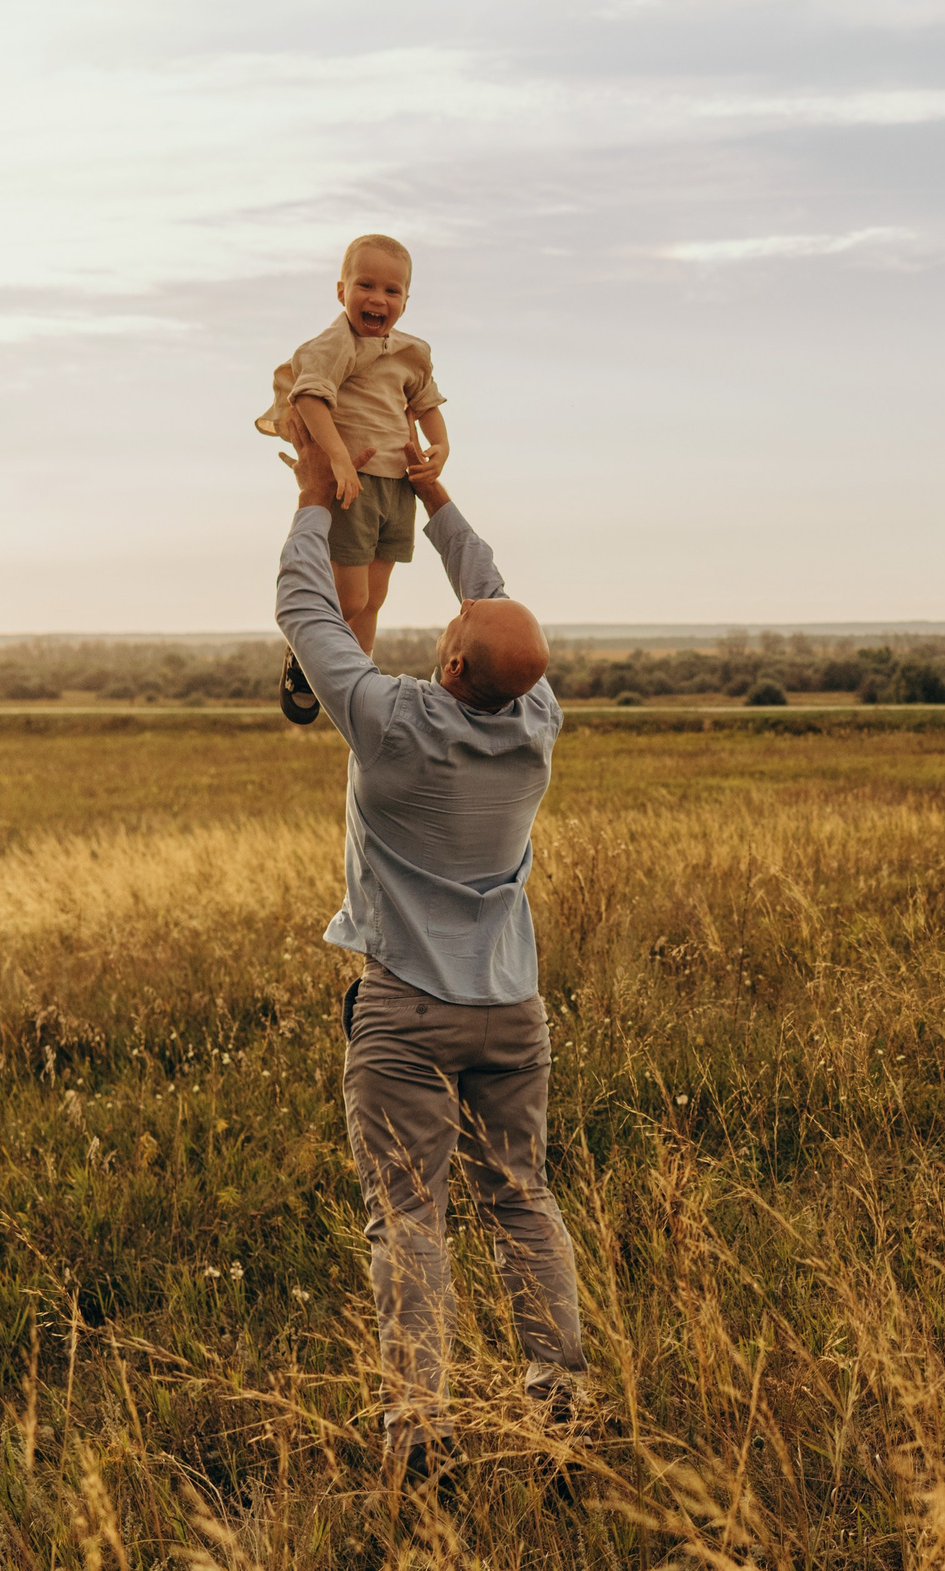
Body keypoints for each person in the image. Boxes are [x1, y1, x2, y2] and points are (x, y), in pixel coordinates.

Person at [276, 421, 581, 1484]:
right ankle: (559, 1406)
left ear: (449, 662)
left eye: (452, 627)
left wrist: (314, 499)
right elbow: (494, 603)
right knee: (522, 1199)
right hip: (512, 1012)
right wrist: (436, 498)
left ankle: (418, 1430)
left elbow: (304, 611)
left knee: (408, 1220)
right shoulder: (536, 721)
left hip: (405, 1012)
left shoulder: (390, 722)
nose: (453, 615)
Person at [258, 233, 450, 724]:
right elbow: (309, 397)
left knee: (374, 599)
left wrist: (441, 447)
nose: (377, 298)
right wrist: (339, 459)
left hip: (397, 485)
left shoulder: (411, 351)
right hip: (355, 482)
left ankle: (361, 683)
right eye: (365, 285)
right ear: (341, 291)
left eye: (392, 290)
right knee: (350, 597)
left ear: (405, 300)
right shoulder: (334, 345)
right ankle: (303, 654)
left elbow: (426, 402)